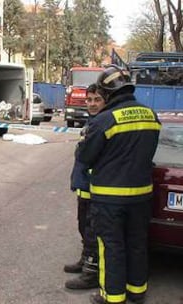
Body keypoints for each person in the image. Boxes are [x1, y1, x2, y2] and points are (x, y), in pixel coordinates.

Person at [77, 65, 161, 304]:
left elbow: (85, 158)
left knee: (111, 246)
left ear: (108, 93)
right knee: (137, 243)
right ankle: (137, 292)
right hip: (142, 195)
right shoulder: (151, 115)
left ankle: (112, 297)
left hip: (109, 198)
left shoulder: (104, 120)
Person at [64, 84, 105, 290]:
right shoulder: (91, 122)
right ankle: (85, 259)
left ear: (105, 100)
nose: (92, 104)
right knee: (83, 227)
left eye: (97, 99)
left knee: (92, 231)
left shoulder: (103, 122)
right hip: (84, 187)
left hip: (97, 189)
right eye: (89, 100)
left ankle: (91, 273)